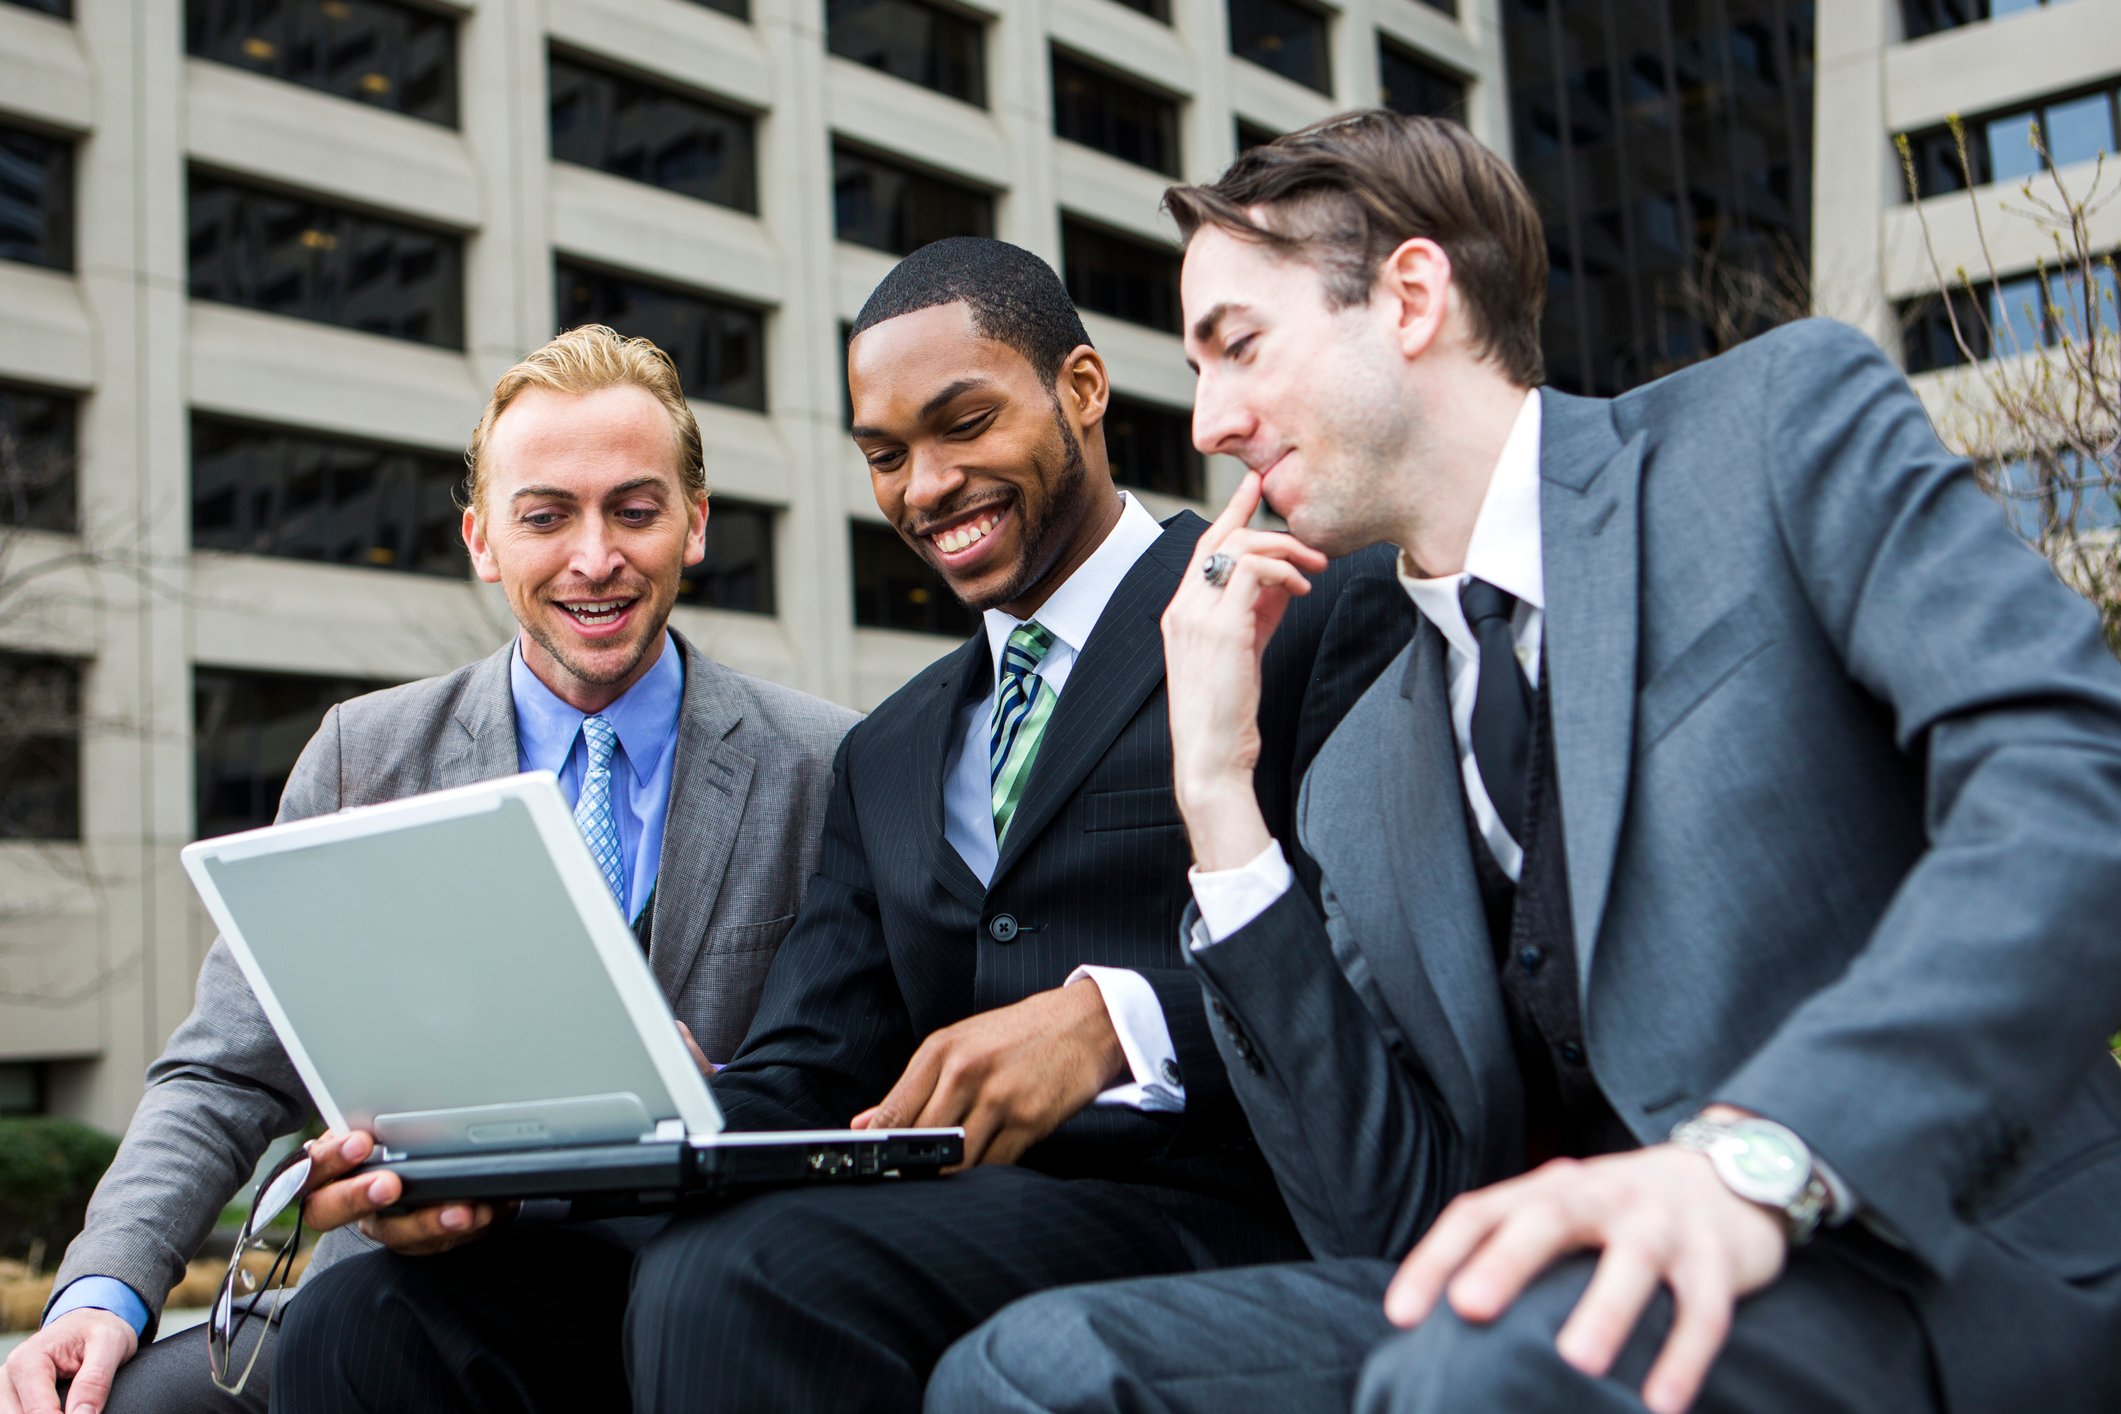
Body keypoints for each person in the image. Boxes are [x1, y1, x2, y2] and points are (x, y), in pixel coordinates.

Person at [928, 112, 2121, 1414]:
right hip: (1568, 1301)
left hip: (1925, 1253)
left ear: (1412, 295)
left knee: (1485, 1370)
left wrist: (1762, 1156)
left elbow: (2068, 776)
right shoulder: (1357, 768)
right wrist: (1218, 799)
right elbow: (1384, 1215)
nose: (1210, 421)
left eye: (1239, 347)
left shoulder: (1772, 428)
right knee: (1025, 1371)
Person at [271, 236, 1410, 1412]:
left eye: (962, 424)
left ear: (1080, 389)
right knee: (368, 1316)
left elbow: (1397, 982)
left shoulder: (1297, 604)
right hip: (942, 1224)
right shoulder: (892, 748)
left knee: (742, 1278)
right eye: (885, 454)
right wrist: (541, 1143)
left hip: (1218, 1219)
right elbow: (808, 1068)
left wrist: (1118, 1022)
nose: (924, 486)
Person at [2, 325, 857, 1414]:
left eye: (635, 510)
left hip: (685, 1297)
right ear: (482, 539)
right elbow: (223, 1071)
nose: (594, 556)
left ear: (695, 525)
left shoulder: (828, 764)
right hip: (398, 1289)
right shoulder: (365, 755)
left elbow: (861, 1083)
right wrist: (101, 1289)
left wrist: (720, 1102)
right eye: (545, 515)